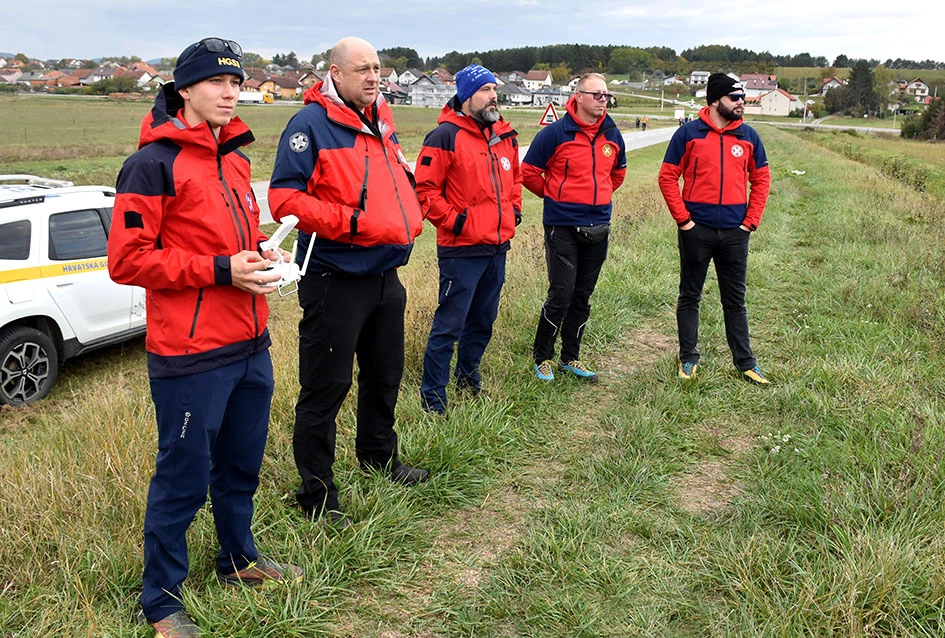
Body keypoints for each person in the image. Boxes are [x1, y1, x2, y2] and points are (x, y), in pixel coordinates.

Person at [108, 38, 302, 637]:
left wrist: (259, 254)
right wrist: (221, 269)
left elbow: (230, 243)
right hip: (190, 353)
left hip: (250, 340)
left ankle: (237, 559)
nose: (230, 92)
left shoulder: (236, 159)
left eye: (237, 82)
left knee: (241, 465)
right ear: (185, 89)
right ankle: (161, 598)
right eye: (217, 83)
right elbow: (128, 260)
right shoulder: (152, 163)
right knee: (183, 477)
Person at [268, 36, 428, 527]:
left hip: (385, 273)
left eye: (378, 67)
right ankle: (315, 491)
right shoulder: (309, 125)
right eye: (362, 69)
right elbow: (285, 200)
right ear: (335, 73)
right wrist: (351, 222)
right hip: (334, 276)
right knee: (326, 387)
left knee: (385, 376)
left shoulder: (380, 119)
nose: (374, 76)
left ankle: (380, 458)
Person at [414, 64, 522, 414]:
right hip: (461, 250)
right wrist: (458, 223)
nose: (494, 96)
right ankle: (433, 398)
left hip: (497, 246)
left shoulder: (505, 135)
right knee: (450, 324)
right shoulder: (444, 137)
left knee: (483, 320)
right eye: (486, 90)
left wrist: (515, 210)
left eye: (495, 89)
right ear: (465, 96)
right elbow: (425, 191)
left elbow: (515, 180)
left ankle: (468, 378)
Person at [658, 73, 772, 384]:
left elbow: (761, 180)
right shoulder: (689, 134)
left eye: (743, 97)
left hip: (736, 233)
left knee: (735, 299)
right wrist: (684, 221)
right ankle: (688, 358)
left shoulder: (748, 137)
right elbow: (667, 177)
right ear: (715, 101)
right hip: (697, 230)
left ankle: (746, 362)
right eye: (735, 97)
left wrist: (750, 222)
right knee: (690, 295)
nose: (741, 103)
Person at [522, 72, 626, 383]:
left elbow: (618, 174)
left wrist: (599, 198)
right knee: (562, 293)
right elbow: (528, 172)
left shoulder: (612, 134)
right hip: (562, 227)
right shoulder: (555, 134)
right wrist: (557, 197)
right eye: (597, 94)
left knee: (582, 295)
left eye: (606, 95)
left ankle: (571, 357)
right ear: (578, 96)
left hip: (598, 227)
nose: (603, 100)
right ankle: (543, 357)